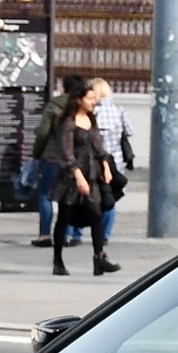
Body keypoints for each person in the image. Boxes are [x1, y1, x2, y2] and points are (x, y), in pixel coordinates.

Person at [43, 82, 120, 277]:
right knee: (64, 217)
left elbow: (98, 146)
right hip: (71, 178)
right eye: (90, 99)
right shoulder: (68, 123)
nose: (94, 102)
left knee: (96, 216)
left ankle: (99, 258)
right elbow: (66, 153)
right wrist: (78, 176)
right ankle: (57, 260)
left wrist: (105, 166)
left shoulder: (90, 119)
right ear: (79, 100)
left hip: (91, 174)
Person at [68, 78, 134, 244]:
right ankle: (104, 234)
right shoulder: (119, 110)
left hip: (89, 161)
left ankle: (76, 233)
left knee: (82, 196)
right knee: (109, 197)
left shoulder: (91, 112)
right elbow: (129, 131)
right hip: (113, 161)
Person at [28, 74, 88, 248]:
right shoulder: (83, 107)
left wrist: (37, 153)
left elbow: (43, 133)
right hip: (76, 159)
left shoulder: (54, 105)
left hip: (53, 158)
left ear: (64, 87)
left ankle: (45, 234)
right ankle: (67, 234)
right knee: (68, 197)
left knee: (46, 195)